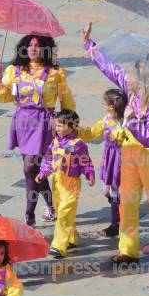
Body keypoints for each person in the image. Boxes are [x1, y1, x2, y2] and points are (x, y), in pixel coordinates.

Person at [81, 22, 149, 263]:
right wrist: (89, 46)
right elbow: (109, 69)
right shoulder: (130, 91)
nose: (127, 77)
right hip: (130, 155)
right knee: (128, 203)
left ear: (143, 80)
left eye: (132, 76)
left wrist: (132, 122)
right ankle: (128, 249)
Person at [0, 35, 76, 227]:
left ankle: (29, 215)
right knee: (35, 169)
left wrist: (66, 125)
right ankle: (50, 205)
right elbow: (4, 96)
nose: (33, 49)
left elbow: (67, 102)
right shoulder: (14, 71)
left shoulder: (56, 73)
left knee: (30, 167)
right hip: (22, 122)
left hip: (44, 123)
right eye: (29, 45)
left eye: (37, 46)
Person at [35, 109, 95, 259]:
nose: (57, 129)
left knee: (63, 214)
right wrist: (43, 174)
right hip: (57, 181)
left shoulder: (78, 144)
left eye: (61, 126)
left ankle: (58, 246)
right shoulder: (55, 141)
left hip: (71, 184)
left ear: (71, 126)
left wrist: (90, 174)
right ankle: (72, 238)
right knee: (63, 211)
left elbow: (86, 162)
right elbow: (48, 160)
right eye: (56, 125)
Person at [78, 89, 127, 237]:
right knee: (107, 191)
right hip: (109, 157)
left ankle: (116, 223)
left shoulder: (126, 122)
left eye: (105, 103)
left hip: (121, 158)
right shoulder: (106, 120)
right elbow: (92, 133)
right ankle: (119, 208)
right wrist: (76, 130)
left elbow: (126, 137)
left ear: (112, 106)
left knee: (114, 191)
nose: (103, 106)